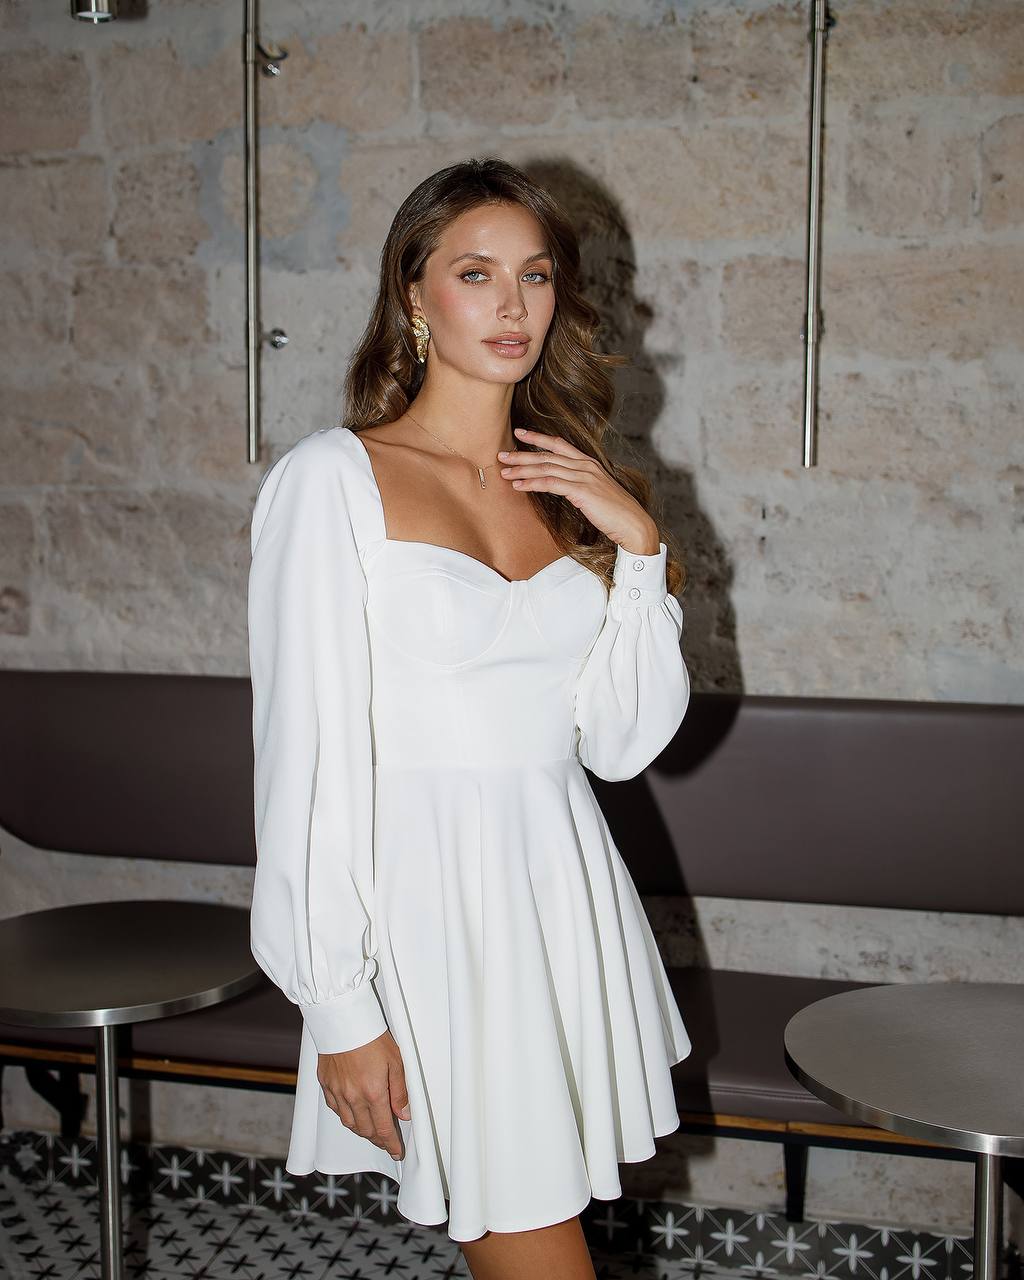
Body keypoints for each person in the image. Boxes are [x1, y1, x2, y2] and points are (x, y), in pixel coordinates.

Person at [247, 157, 692, 1279]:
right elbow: (303, 756)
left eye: (535, 276)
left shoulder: (562, 486)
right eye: (475, 272)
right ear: (414, 293)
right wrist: (337, 1001)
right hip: (428, 915)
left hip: (554, 901)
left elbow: (620, 742)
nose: (511, 305)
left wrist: (638, 552)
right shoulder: (333, 479)